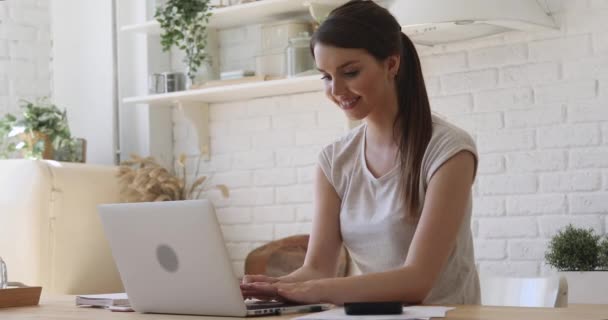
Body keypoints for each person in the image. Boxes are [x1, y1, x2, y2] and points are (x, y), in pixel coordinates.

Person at [241, 0, 479, 305]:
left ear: (391, 64)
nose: (336, 89)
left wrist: (313, 291)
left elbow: (416, 280)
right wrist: (270, 287)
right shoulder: (334, 160)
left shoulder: (449, 151)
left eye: (350, 72)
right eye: (326, 76)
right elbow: (317, 269)